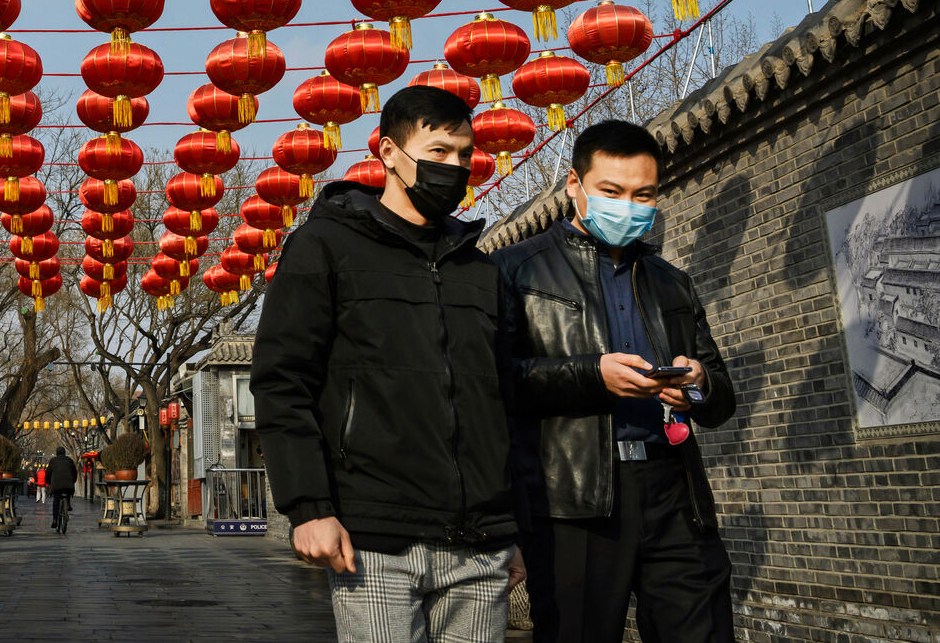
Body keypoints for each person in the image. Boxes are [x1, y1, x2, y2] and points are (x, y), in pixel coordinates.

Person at [252, 85, 526, 643]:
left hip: (478, 541)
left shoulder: (479, 270)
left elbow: (501, 401)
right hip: (374, 536)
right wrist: (308, 506)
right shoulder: (326, 247)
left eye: (464, 154)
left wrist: (508, 523)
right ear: (388, 154)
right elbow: (283, 381)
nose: (455, 167)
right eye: (438, 153)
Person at [492, 119, 737, 642]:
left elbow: (720, 396)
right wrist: (590, 375)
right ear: (575, 188)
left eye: (643, 194)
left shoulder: (671, 281)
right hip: (571, 496)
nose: (629, 206)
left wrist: (696, 384)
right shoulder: (515, 270)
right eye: (612, 191)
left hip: (674, 488)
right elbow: (495, 383)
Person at [46, 446, 77, 528]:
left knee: (56, 501)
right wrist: (73, 481)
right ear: (64, 453)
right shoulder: (69, 460)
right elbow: (75, 472)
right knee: (68, 491)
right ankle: (68, 504)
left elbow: (48, 473)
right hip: (68, 484)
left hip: (56, 485)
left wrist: (48, 482)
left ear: (56, 453)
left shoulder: (53, 461)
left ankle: (55, 520)